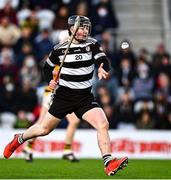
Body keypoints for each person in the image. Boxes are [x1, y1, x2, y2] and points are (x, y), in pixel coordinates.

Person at [3, 15, 128, 176]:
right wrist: (50, 82)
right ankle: (19, 138)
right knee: (43, 129)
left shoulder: (92, 44)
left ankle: (108, 163)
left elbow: (102, 58)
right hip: (64, 97)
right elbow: (47, 69)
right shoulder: (59, 49)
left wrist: (103, 67)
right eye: (82, 28)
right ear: (72, 29)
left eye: (86, 28)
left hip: (85, 97)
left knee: (103, 124)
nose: (85, 31)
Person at [23, 66, 80, 162]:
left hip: (59, 93)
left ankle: (28, 147)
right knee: (73, 121)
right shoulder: (60, 59)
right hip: (54, 92)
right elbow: (53, 73)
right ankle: (67, 150)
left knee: (41, 123)